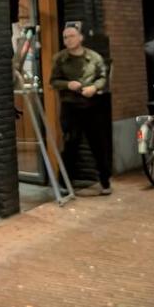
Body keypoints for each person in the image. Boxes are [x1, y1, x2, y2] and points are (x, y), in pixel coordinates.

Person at [49, 21, 112, 196]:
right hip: (71, 107)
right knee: (70, 145)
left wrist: (94, 88)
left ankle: (105, 182)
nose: (68, 40)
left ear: (80, 38)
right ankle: (64, 183)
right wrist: (68, 84)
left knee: (98, 145)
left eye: (71, 36)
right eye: (65, 37)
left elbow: (103, 77)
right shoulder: (60, 59)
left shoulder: (94, 57)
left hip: (92, 107)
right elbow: (53, 81)